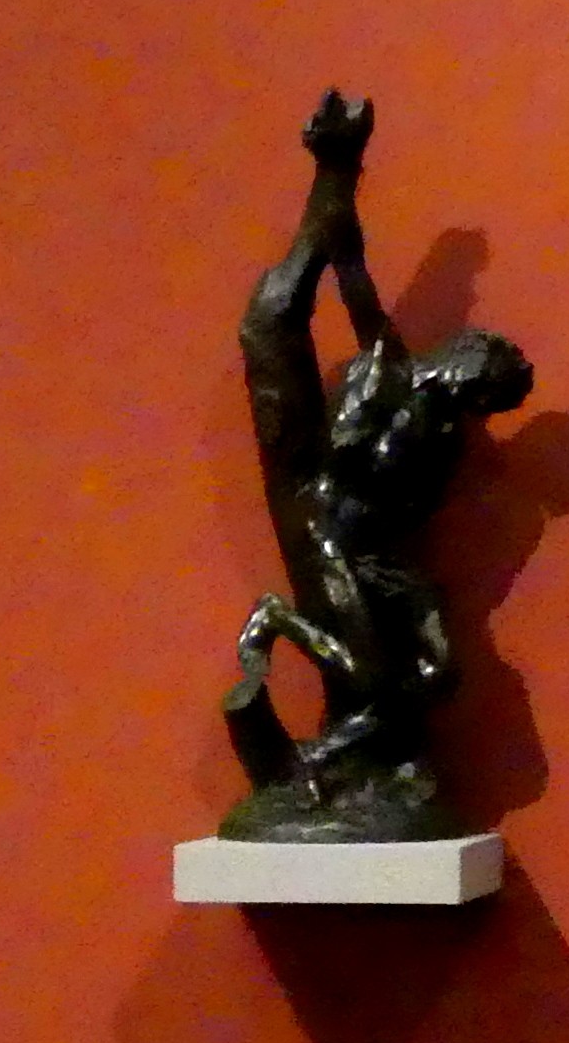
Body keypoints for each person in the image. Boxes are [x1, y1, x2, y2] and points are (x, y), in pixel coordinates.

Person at [223, 92, 531, 839]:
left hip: (380, 559)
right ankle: (279, 625)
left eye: (489, 401)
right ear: (465, 358)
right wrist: (337, 171)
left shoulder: (447, 438)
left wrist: (409, 593)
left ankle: (337, 760)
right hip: (327, 531)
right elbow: (350, 265)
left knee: (437, 674)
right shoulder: (386, 363)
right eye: (485, 386)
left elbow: (412, 517)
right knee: (367, 675)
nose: (480, 404)